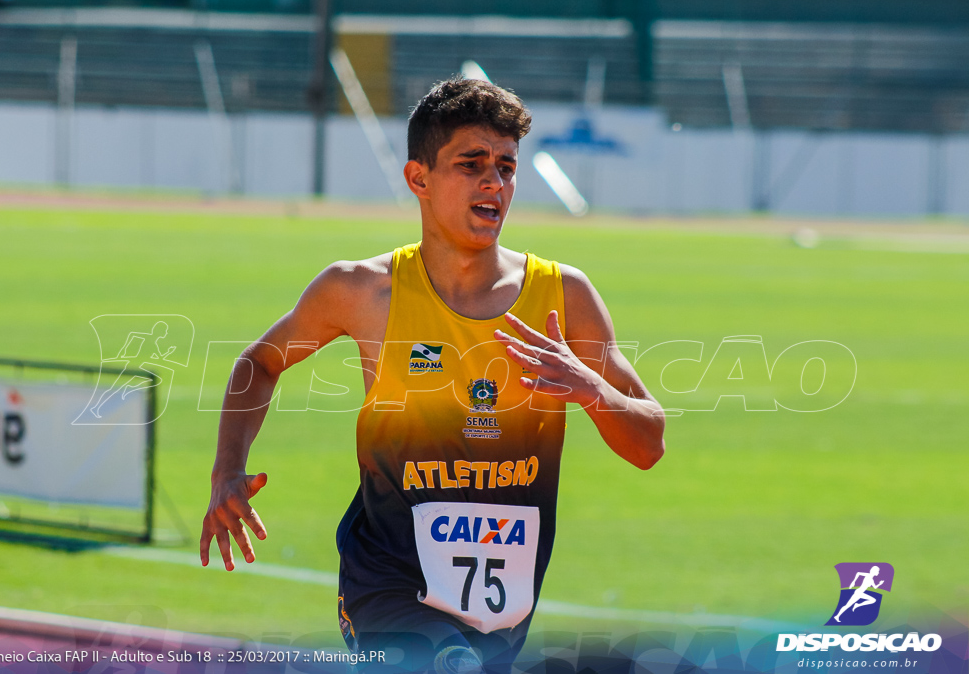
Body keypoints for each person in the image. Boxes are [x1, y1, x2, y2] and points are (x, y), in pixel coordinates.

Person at [200, 78, 666, 673]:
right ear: (419, 179)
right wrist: (226, 471)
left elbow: (649, 443)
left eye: (506, 167)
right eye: (471, 164)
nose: (494, 183)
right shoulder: (362, 292)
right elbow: (260, 362)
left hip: (501, 619)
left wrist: (594, 391)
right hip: (385, 589)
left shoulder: (564, 297)